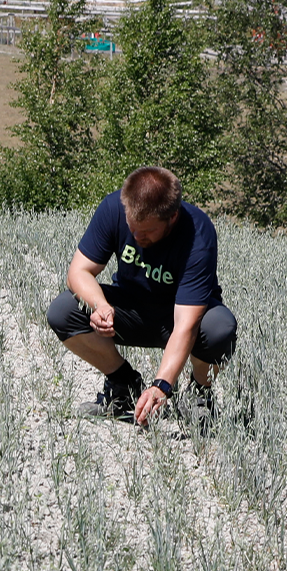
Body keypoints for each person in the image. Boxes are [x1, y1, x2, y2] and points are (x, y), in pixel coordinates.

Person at [45, 165, 237, 427]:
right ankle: (123, 385)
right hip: (131, 308)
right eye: (132, 228)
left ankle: (198, 395)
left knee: (220, 328)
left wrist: (161, 386)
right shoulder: (113, 208)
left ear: (172, 218)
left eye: (146, 232)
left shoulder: (198, 234)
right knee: (63, 310)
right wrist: (100, 305)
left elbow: (186, 324)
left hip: (179, 318)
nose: (136, 236)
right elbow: (78, 272)